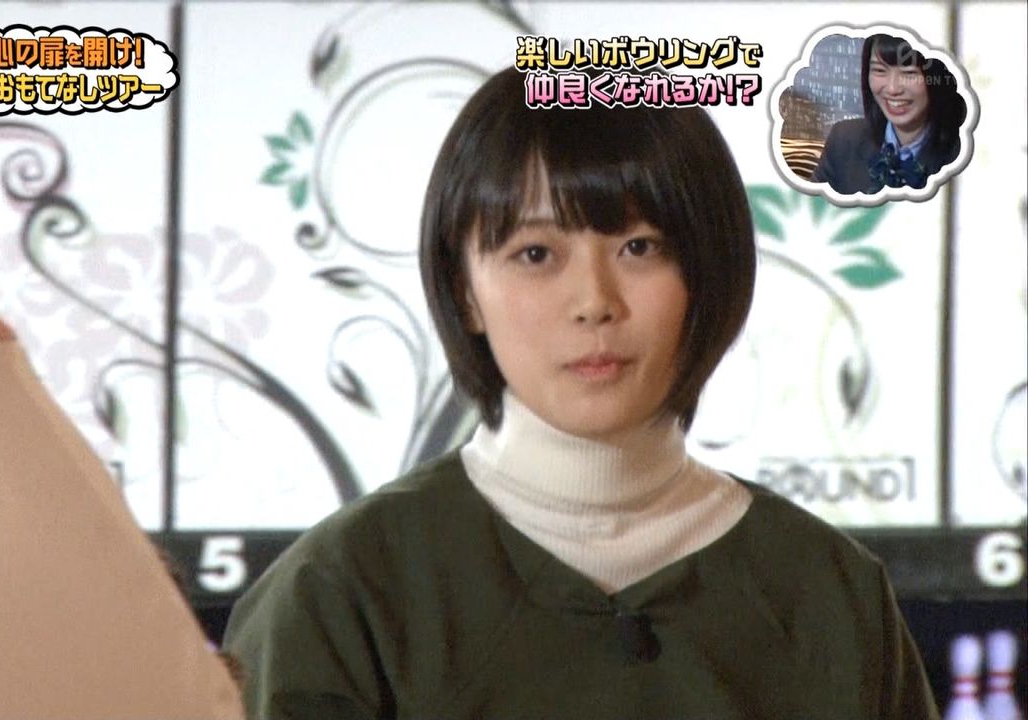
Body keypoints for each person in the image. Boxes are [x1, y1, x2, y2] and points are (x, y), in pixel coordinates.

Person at [223, 65, 939, 719]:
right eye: (535, 254)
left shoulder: (830, 593)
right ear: (465, 292)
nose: (594, 302)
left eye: (639, 247)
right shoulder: (340, 595)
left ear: (707, 270)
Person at [812, 33, 966, 194]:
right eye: (879, 70)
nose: (892, 89)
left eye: (909, 73)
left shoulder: (964, 153)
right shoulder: (844, 139)